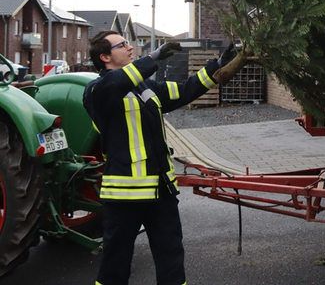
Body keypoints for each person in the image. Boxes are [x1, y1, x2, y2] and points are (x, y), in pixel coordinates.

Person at [83, 30, 236, 285]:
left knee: (171, 260)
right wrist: (153, 58)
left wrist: (216, 67)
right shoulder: (98, 91)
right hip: (125, 197)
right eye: (123, 45)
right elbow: (117, 83)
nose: (130, 48)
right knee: (115, 264)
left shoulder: (145, 87)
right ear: (104, 57)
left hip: (161, 192)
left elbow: (183, 91)